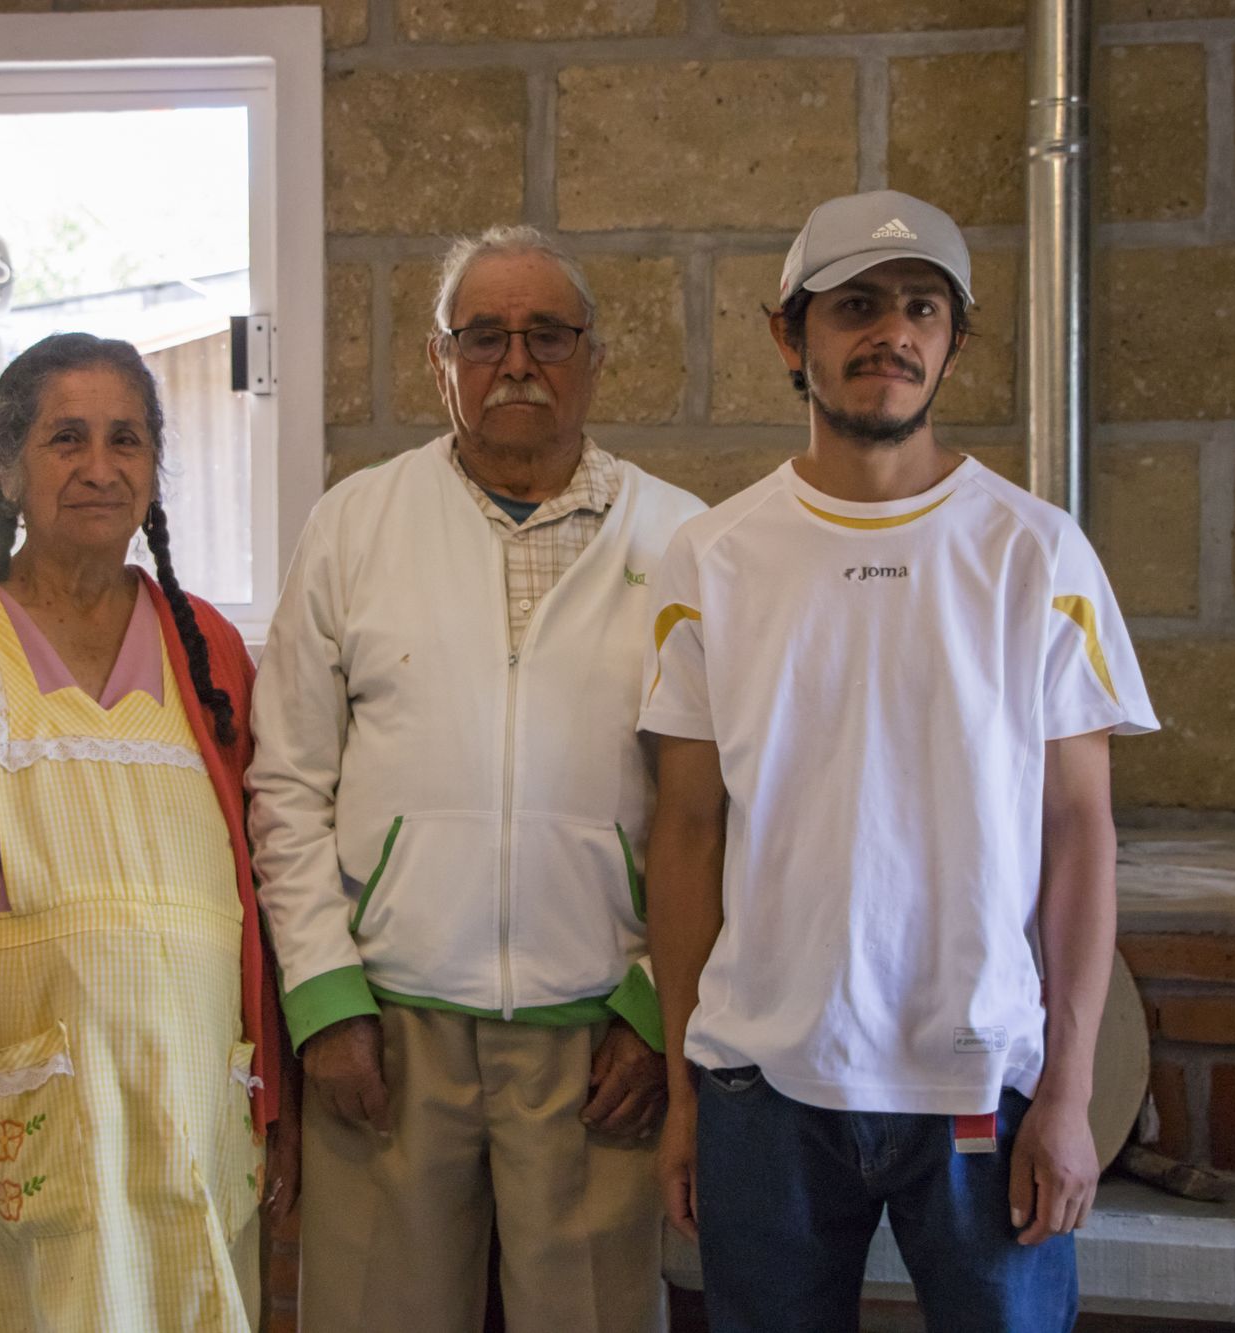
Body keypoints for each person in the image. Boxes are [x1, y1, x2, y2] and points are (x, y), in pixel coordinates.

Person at [642, 190, 1159, 1333]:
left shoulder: (1036, 553)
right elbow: (684, 830)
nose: (891, 333)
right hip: (761, 1083)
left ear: (954, 341)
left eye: (921, 308)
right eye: (855, 306)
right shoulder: (711, 557)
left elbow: (1077, 831)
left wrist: (1067, 1092)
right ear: (789, 335)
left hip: (978, 1078)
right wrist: (682, 1093)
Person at [247, 225, 706, 1333]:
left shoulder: (683, 541)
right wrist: (322, 995)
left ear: (595, 358)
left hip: (601, 1035)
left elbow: (720, 806)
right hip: (384, 1028)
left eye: (548, 335)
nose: (516, 362)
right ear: (436, 360)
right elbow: (287, 781)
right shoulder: (354, 524)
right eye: (483, 335)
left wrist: (659, 1006)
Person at [0, 332, 296, 1331]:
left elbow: (267, 884)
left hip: (187, 1115)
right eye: (65, 438)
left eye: (126, 439)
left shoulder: (207, 647)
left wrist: (273, 1097)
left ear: (153, 470)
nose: (99, 466)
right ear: (6, 470)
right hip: (15, 1121)